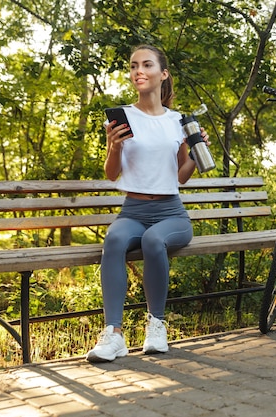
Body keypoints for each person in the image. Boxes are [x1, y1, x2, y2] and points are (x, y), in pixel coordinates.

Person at [86, 44, 209, 363]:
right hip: (133, 212)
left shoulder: (178, 121)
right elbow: (113, 173)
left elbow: (181, 176)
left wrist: (196, 153)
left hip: (171, 214)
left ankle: (156, 324)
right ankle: (113, 335)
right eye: (133, 66)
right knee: (113, 239)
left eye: (147, 64)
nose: (138, 70)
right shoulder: (122, 118)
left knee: (155, 240)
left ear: (162, 74)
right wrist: (112, 147)